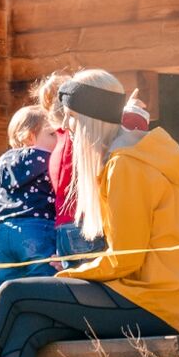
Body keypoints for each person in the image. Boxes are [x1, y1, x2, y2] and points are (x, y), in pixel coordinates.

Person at [0, 71, 179, 357]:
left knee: (13, 292)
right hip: (141, 295)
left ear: (89, 119)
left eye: (69, 118)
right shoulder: (134, 154)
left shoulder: (126, 166)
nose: (65, 127)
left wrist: (68, 275)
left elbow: (126, 258)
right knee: (30, 324)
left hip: (153, 303)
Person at [38, 70, 149, 259]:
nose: (65, 125)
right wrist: (133, 113)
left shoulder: (62, 145)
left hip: (70, 227)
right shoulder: (72, 144)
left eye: (71, 116)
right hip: (83, 227)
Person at [0, 105, 60, 283]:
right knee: (43, 281)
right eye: (52, 134)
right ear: (29, 137)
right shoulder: (47, 159)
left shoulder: (2, 162)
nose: (58, 138)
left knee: (4, 282)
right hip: (38, 228)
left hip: (4, 232)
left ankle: (1, 302)